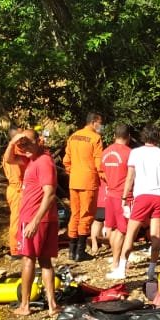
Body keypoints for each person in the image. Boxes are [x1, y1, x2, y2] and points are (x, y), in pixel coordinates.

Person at [107, 125, 160, 280]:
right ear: (158, 137)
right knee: (155, 235)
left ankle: (121, 269)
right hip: (159, 196)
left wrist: (124, 197)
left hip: (142, 197)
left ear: (143, 137)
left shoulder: (135, 153)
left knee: (130, 234)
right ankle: (151, 270)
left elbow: (130, 178)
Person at [11, 129, 60, 316]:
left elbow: (50, 194)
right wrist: (13, 142)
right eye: (21, 145)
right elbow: (8, 159)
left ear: (39, 141)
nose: (24, 148)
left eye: (28, 143)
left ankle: (25, 305)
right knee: (45, 261)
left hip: (35, 218)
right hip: (43, 218)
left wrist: (34, 222)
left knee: (28, 259)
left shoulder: (43, 162)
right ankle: (52, 305)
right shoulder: (32, 160)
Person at [63, 112, 104, 261]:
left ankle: (71, 250)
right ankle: (80, 252)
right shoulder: (95, 138)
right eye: (100, 123)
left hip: (74, 181)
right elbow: (99, 163)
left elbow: (66, 160)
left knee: (75, 214)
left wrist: (73, 173)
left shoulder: (73, 136)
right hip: (88, 181)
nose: (101, 126)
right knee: (86, 215)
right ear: (94, 122)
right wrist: (104, 177)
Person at [100, 123, 132, 270]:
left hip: (110, 194)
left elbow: (103, 173)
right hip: (123, 196)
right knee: (122, 230)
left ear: (114, 136)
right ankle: (116, 263)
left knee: (112, 229)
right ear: (129, 137)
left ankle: (114, 259)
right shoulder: (130, 153)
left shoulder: (105, 152)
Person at [2, 127, 30, 259]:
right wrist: (12, 143)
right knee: (16, 220)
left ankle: (23, 244)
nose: (23, 139)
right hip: (17, 190)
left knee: (24, 219)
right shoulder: (12, 152)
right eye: (20, 137)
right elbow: (9, 159)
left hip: (23, 189)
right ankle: (14, 249)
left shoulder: (21, 151)